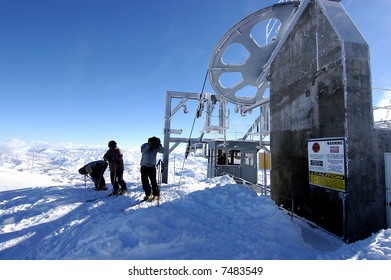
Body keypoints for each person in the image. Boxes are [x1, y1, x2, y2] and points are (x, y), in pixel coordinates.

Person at [140, 136, 165, 201]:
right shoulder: (145, 145)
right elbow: (143, 151)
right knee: (144, 182)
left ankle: (155, 195)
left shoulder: (156, 147)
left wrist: (159, 145)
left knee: (153, 182)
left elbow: (163, 151)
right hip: (144, 166)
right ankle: (148, 194)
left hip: (152, 167)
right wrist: (149, 145)